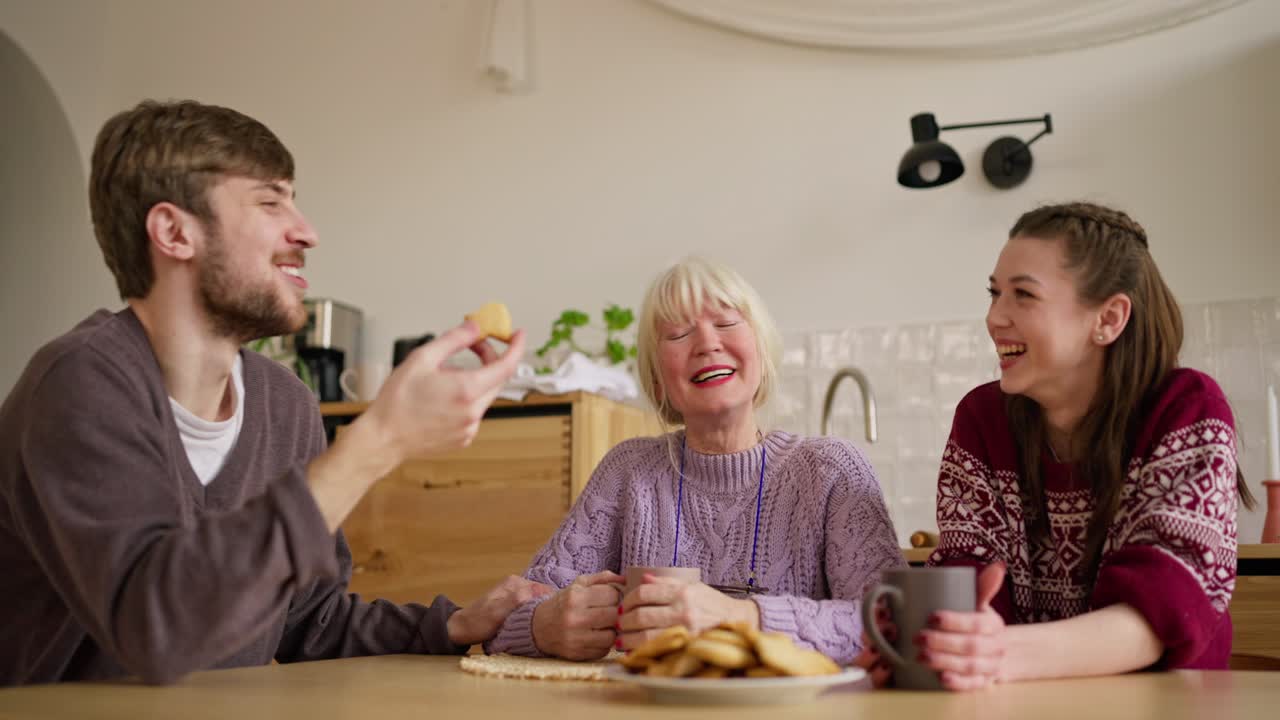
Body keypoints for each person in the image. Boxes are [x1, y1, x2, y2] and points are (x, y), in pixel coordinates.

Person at [0, 100, 550, 686]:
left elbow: (306, 619)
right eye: (270, 201)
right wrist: (380, 439)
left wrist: (453, 625)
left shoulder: (283, 403)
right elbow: (158, 631)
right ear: (173, 231)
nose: (306, 231)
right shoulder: (79, 384)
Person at [898, 202, 1253, 690]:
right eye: (994, 293)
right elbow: (969, 585)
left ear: (1108, 318)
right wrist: (932, 648)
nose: (994, 316)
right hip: (1019, 703)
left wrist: (994, 653)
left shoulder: (1187, 407)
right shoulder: (980, 420)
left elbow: (1158, 615)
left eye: (1023, 294)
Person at [485, 257, 903, 664]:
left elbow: (892, 622)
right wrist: (545, 625)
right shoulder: (628, 472)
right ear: (657, 380)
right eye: (679, 334)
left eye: (725, 323)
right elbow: (506, 616)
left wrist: (740, 617)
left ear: (761, 351)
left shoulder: (829, 469)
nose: (707, 343)